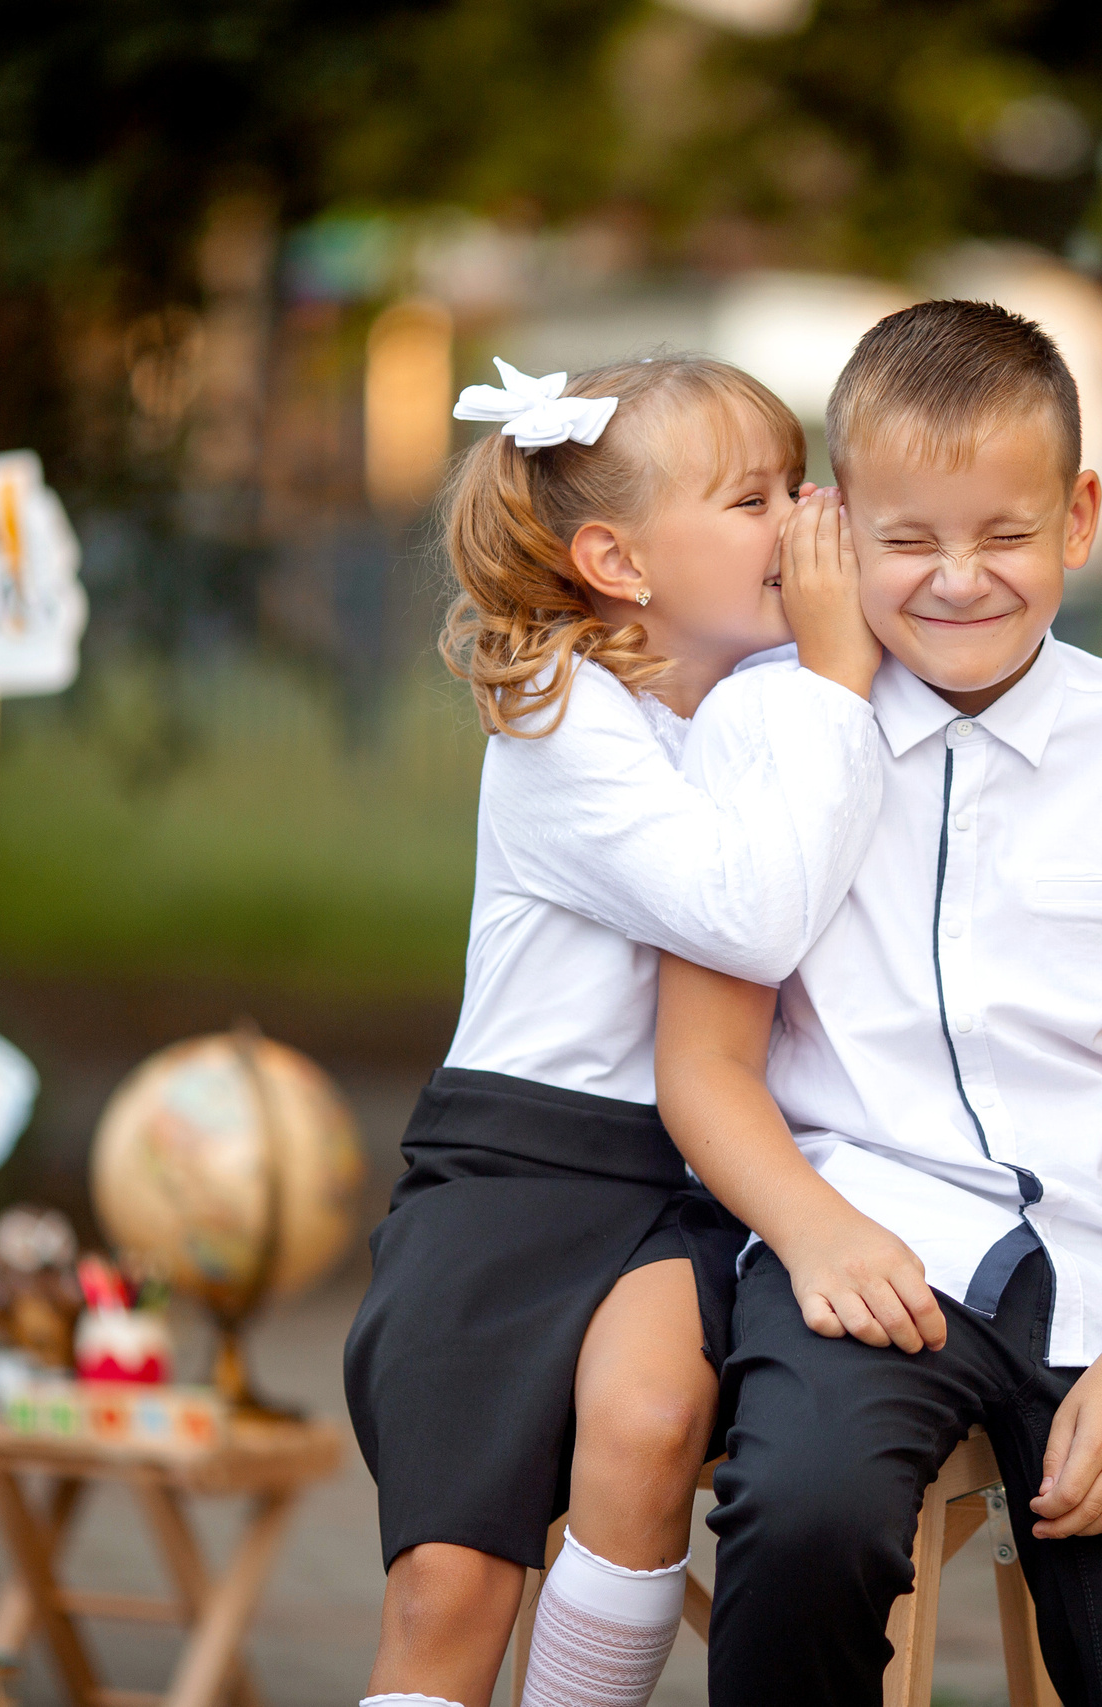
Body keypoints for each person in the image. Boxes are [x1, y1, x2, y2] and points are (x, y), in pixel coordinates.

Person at [655, 301, 1102, 1707]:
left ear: (1079, 515)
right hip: (868, 1254)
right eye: (907, 541)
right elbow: (702, 1067)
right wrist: (815, 1233)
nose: (959, 580)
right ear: (832, 523)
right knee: (807, 1518)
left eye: (1004, 536)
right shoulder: (762, 732)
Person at [346, 354, 883, 1707]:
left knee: (646, 1430)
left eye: (797, 480)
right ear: (617, 560)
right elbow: (745, 919)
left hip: (687, 1176)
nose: (804, 518)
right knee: (451, 1584)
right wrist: (835, 675)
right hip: (519, 1173)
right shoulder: (561, 719)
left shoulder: (747, 712)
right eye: (754, 498)